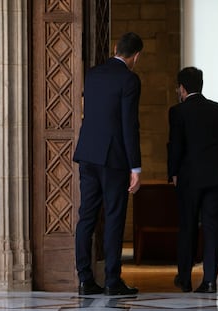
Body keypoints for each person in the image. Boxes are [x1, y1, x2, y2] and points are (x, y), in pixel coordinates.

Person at [73, 32, 143, 296]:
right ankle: (113, 281)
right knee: (114, 217)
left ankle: (84, 279)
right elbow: (129, 125)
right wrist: (135, 168)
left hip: (87, 154)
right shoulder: (130, 79)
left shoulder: (92, 74)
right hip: (113, 159)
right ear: (136, 56)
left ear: (115, 48)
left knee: (86, 217)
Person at [167, 67, 218, 293]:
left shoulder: (178, 112)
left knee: (187, 227)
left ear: (182, 88)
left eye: (178, 87)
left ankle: (184, 278)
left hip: (189, 179)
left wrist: (173, 173)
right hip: (217, 177)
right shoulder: (217, 109)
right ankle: (210, 281)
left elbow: (176, 146)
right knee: (212, 227)